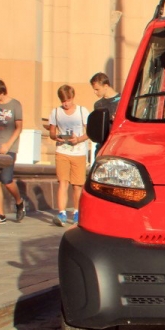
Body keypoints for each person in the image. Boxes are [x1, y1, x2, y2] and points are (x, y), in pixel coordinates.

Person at [49, 85, 90, 226]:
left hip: (78, 151)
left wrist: (78, 139)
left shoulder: (81, 111)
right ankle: (62, 213)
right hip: (62, 151)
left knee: (77, 185)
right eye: (63, 101)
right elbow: (52, 132)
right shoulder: (55, 112)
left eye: (67, 100)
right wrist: (56, 137)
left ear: (72, 98)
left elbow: (89, 131)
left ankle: (77, 212)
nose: (65, 103)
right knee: (63, 182)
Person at [0, 79, 26, 223]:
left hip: (9, 148)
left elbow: (19, 127)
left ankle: (19, 202)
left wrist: (8, 145)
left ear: (1, 92)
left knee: (7, 180)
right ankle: (1, 215)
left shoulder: (15, 105)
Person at [90, 72, 120, 155]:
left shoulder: (122, 100)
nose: (95, 92)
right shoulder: (98, 104)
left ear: (106, 86)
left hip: (118, 145)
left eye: (97, 89)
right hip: (102, 146)